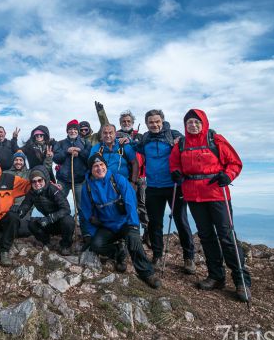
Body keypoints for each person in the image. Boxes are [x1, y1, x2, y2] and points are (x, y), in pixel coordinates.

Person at [169, 109, 250, 302]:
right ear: (185, 125)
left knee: (226, 235)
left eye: (196, 122)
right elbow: (174, 164)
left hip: (216, 194)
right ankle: (216, 276)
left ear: (203, 123)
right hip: (194, 196)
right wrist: (177, 173)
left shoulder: (215, 139)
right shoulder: (181, 144)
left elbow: (235, 163)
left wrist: (227, 175)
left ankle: (241, 281)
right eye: (189, 122)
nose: (193, 125)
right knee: (206, 236)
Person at [79, 154, 161, 288]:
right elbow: (87, 212)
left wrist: (134, 225)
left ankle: (147, 273)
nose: (99, 168)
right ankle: (118, 252)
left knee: (134, 241)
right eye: (95, 166)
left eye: (102, 165)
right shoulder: (87, 188)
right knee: (96, 245)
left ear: (106, 166)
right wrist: (91, 235)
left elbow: (130, 203)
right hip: (107, 226)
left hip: (125, 222)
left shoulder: (117, 179)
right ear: (90, 170)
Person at [135, 110, 195, 274]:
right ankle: (157, 255)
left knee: (181, 220)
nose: (154, 124)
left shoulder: (173, 135)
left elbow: (189, 146)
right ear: (147, 123)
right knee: (155, 223)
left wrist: (181, 142)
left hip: (174, 185)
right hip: (153, 186)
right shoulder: (145, 138)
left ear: (162, 121)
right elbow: (135, 148)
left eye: (157, 121)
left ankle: (189, 258)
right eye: (151, 122)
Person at [20, 166, 74, 255]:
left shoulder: (53, 189)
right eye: (34, 181)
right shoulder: (32, 193)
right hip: (48, 223)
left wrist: (50, 218)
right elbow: (25, 205)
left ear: (44, 179)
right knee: (32, 224)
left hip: (59, 222)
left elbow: (66, 209)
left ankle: (65, 245)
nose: (37, 183)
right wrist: (19, 212)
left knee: (68, 221)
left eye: (39, 180)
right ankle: (47, 242)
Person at [53, 119, 91, 217]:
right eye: (70, 129)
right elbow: (56, 159)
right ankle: (58, 225)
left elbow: (89, 158)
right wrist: (66, 151)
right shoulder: (60, 143)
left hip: (79, 180)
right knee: (58, 203)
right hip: (63, 180)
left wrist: (80, 152)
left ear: (78, 130)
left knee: (81, 205)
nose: (73, 131)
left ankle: (84, 228)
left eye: (75, 129)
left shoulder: (85, 143)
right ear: (67, 131)